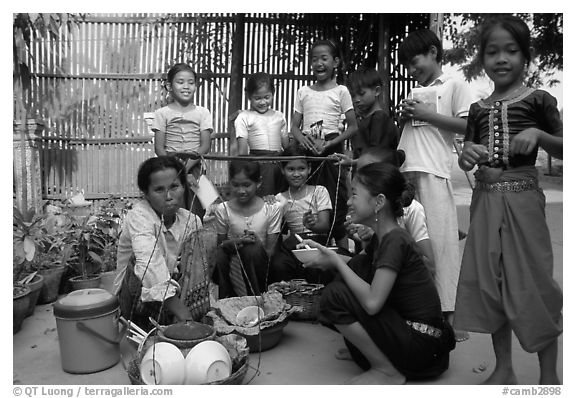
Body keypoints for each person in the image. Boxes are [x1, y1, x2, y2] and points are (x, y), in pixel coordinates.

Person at [454, 15, 563, 385]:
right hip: (485, 202)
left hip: (524, 201)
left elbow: (565, 147)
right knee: (491, 285)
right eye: (492, 51)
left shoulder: (540, 100)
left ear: (526, 56)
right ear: (483, 58)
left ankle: (550, 375)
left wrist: (538, 134)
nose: (501, 58)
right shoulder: (478, 109)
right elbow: (467, 150)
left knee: (534, 284)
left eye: (511, 51)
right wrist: (467, 155)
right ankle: (504, 369)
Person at [298, 162, 455, 384]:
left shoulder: (395, 240)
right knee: (350, 273)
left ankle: (386, 369)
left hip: (424, 349)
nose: (349, 201)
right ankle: (372, 351)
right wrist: (325, 258)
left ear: (379, 201)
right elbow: (358, 267)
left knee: (335, 296)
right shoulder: (383, 237)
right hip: (419, 345)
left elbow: (372, 303)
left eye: (354, 195)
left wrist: (335, 260)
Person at [396, 29, 473, 337]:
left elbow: (468, 124)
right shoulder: (417, 92)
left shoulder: (455, 85)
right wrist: (408, 115)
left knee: (441, 245)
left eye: (415, 62)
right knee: (412, 243)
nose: (412, 70)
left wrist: (428, 113)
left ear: (432, 52)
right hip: (407, 170)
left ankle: (450, 317)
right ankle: (417, 310)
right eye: (408, 66)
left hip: (433, 171)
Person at [113, 156, 202, 331]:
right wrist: (182, 311)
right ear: (145, 194)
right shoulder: (139, 216)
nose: (168, 196)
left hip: (175, 295)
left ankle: (186, 322)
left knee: (203, 243)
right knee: (140, 263)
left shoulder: (191, 221)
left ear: (184, 187)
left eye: (174, 187)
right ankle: (162, 322)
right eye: (159, 190)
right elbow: (149, 263)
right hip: (136, 299)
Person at [290, 39, 358, 250]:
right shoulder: (303, 91)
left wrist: (329, 144)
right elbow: (294, 126)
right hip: (308, 152)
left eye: (324, 58)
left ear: (335, 62)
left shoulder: (341, 91)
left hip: (331, 154)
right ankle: (308, 249)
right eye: (314, 59)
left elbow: (353, 126)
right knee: (309, 201)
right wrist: (303, 139)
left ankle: (343, 256)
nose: (318, 63)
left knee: (335, 201)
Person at [212, 160, 282, 298]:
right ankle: (227, 300)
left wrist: (256, 244)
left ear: (259, 182)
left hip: (261, 266)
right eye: (235, 185)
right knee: (220, 254)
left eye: (246, 185)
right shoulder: (223, 209)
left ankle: (255, 298)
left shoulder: (272, 208)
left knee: (251, 249)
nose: (241, 191)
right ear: (229, 182)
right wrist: (234, 243)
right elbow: (220, 244)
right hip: (232, 263)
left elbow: (270, 251)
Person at [151, 62, 213, 217]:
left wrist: (185, 169)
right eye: (180, 82)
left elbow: (205, 146)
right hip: (169, 166)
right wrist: (176, 169)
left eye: (191, 83)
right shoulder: (162, 113)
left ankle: (195, 237)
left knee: (199, 209)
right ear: (169, 86)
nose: (186, 86)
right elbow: (159, 148)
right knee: (170, 209)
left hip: (195, 164)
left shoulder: (203, 113)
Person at [269, 145, 335, 284]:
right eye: (291, 169)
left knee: (315, 268)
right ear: (282, 170)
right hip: (295, 246)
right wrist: (267, 203)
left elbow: (325, 226)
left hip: (318, 242)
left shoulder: (319, 191)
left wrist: (312, 225)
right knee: (279, 265)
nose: (296, 174)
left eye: (301, 169)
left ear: (309, 169)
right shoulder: (280, 199)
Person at [235, 72, 290, 196]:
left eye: (267, 97)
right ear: (248, 96)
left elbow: (287, 147)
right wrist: (245, 169)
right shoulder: (244, 117)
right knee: (265, 200)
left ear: (273, 94)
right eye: (257, 98)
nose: (262, 102)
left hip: (280, 163)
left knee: (282, 199)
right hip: (259, 163)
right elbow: (242, 151)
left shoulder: (279, 116)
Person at [346, 66, 399, 161]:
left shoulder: (378, 119)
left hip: (375, 173)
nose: (356, 99)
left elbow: (376, 156)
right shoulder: (366, 119)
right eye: (353, 95)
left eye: (361, 93)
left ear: (377, 91)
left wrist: (353, 162)